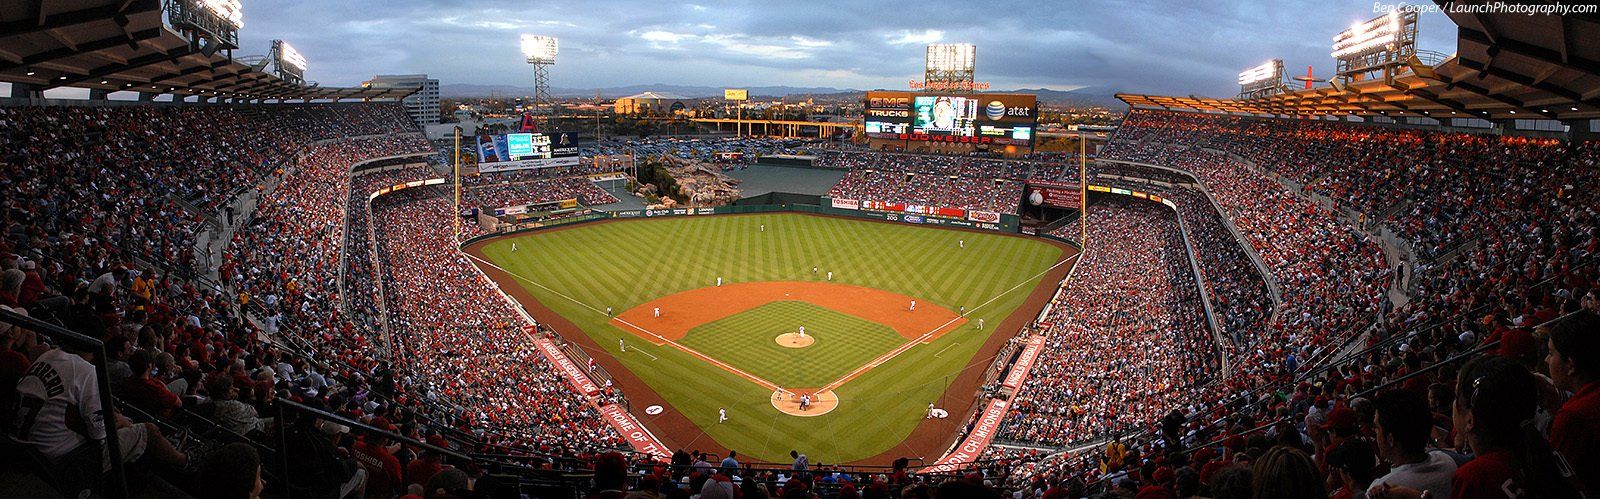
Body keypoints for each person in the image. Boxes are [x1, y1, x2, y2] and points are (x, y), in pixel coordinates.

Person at [1367, 389, 1456, 499]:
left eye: (1376, 427)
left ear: (1390, 439)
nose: (1375, 432)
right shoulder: (1447, 461)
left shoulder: (1381, 490)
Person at [1545, 311, 1599, 493]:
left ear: (1570, 365)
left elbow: (1556, 486)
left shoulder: (1574, 416)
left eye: (1551, 353)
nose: (1546, 360)